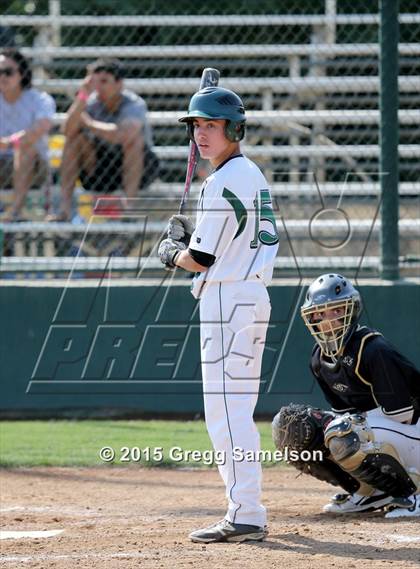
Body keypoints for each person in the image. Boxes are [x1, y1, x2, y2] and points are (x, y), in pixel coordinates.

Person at [158, 86, 279, 542]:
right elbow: (217, 243)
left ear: (234, 129)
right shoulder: (249, 173)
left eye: (211, 125)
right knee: (234, 411)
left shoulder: (223, 180)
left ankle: (246, 511)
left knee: (226, 414)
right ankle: (244, 507)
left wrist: (170, 251)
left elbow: (200, 259)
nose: (201, 135)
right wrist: (190, 242)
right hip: (245, 294)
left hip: (230, 298)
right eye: (196, 126)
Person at [272, 273, 420, 518]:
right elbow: (345, 414)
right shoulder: (319, 359)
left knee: (343, 431)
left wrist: (349, 428)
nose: (328, 319)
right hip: (389, 434)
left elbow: (403, 415)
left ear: (350, 311)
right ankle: (371, 492)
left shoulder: (373, 349)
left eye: (336, 311)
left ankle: (411, 494)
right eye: (320, 313)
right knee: (292, 428)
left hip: (413, 428)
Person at [54, 58, 159, 220]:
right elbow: (66, 131)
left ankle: (128, 208)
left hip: (139, 169)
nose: (98, 87)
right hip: (100, 171)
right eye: (95, 82)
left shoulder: (133, 103)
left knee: (134, 141)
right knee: (73, 139)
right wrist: (82, 95)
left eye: (104, 81)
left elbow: (125, 135)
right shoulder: (89, 101)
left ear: (119, 84)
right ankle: (65, 208)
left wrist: (89, 124)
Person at [0, 48, 55, 221]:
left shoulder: (40, 99)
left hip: (34, 167)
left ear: (22, 73)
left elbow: (40, 128)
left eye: (8, 72)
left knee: (24, 147)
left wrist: (9, 143)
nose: (3, 77)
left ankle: (15, 212)